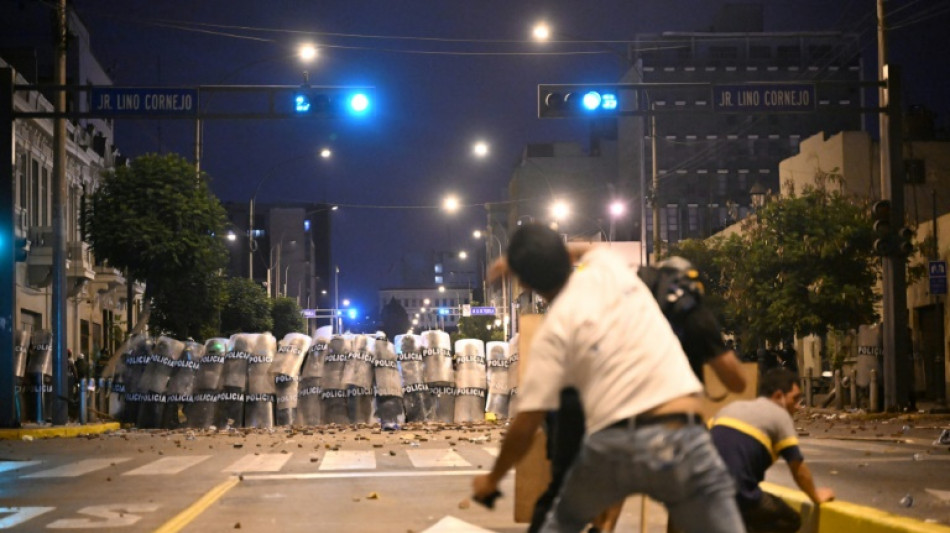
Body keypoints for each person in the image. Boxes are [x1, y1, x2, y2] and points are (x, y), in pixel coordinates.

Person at [472, 223, 745, 533]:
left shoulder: (552, 332)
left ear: (525, 282)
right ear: (562, 255)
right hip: (681, 434)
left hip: (611, 449)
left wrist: (491, 479)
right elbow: (589, 246)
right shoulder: (609, 270)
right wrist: (527, 258)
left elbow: (525, 425)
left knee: (562, 521)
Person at [709, 368, 834, 533]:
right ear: (778, 396)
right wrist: (816, 496)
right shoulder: (779, 415)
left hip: (700, 493)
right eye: (795, 399)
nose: (797, 407)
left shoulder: (729, 408)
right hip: (738, 495)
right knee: (789, 519)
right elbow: (798, 469)